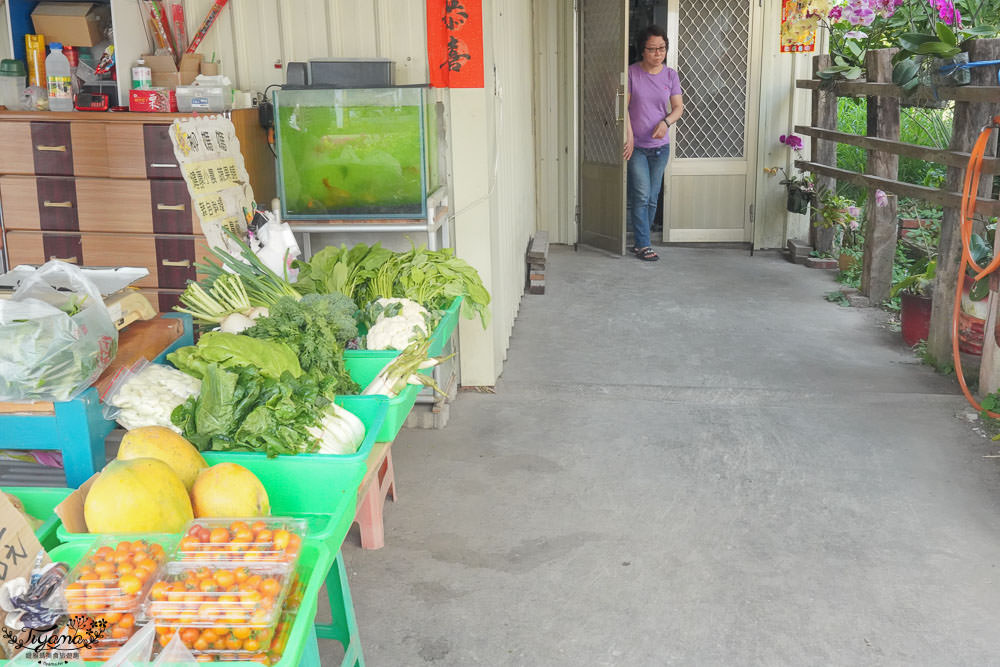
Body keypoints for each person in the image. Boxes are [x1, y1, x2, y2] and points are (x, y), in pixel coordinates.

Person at [624, 24, 684, 262]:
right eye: (652, 49)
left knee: (651, 196)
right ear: (642, 50)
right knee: (640, 195)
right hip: (636, 147)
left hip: (660, 148)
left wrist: (666, 122)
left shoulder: (671, 75)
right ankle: (644, 244)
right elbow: (624, 109)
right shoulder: (631, 73)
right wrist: (628, 136)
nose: (658, 53)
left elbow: (678, 108)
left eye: (662, 48)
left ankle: (641, 242)